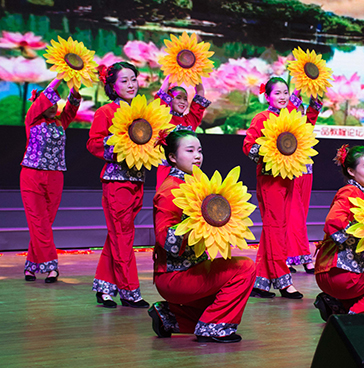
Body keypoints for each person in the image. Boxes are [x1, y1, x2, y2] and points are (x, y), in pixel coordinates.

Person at [149, 130, 256, 343]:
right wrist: (197, 223)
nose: (197, 156)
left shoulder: (194, 183)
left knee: (221, 301)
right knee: (245, 268)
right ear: (172, 157)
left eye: (199, 150)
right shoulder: (170, 191)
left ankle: (169, 317)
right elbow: (165, 240)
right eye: (190, 151)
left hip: (193, 270)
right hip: (175, 276)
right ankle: (213, 328)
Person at [242, 77, 321, 299]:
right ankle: (284, 281)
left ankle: (261, 283)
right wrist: (269, 151)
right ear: (267, 97)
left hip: (289, 179)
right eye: (277, 93)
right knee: (275, 228)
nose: (282, 96)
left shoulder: (291, 118)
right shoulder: (261, 118)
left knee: (276, 229)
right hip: (270, 181)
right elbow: (248, 146)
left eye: (285, 92)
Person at [87, 62, 149, 308]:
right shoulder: (106, 112)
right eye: (124, 81)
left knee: (118, 236)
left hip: (137, 180)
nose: (131, 85)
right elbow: (93, 143)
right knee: (122, 236)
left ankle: (104, 288)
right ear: (112, 86)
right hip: (116, 181)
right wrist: (119, 145)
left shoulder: (141, 111)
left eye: (133, 79)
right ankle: (129, 290)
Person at [313, 145, 364, 321]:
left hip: (332, 271)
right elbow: (333, 221)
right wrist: (360, 234)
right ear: (351, 171)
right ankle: (357, 316)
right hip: (338, 272)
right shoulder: (351, 191)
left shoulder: (362, 193)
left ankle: (336, 304)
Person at [21, 78, 81, 283]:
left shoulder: (60, 123)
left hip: (55, 176)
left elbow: (72, 106)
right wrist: (60, 76)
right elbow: (45, 95)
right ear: (40, 106)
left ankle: (31, 265)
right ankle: (51, 266)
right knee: (38, 221)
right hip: (32, 175)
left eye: (56, 103)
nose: (54, 106)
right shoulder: (32, 120)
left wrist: (75, 81)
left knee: (44, 223)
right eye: (50, 103)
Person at [155, 75, 211, 189]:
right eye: (178, 98)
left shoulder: (190, 120)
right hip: (168, 170)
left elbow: (200, 92)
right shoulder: (162, 118)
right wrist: (171, 75)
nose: (182, 102)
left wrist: (194, 73)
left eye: (185, 99)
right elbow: (161, 96)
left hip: (189, 172)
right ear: (169, 99)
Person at [285, 95, 315, 274]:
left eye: (302, 112)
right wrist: (296, 91)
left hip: (307, 175)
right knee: (294, 218)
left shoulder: (306, 129)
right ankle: (304, 257)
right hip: (292, 176)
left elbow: (313, 112)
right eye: (297, 112)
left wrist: (315, 91)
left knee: (301, 218)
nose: (301, 115)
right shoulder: (286, 129)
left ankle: (290, 257)